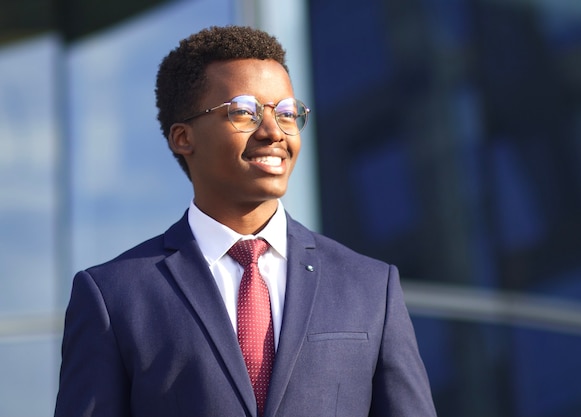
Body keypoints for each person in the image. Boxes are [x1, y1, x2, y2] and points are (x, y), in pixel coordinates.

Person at [54, 26, 437, 417]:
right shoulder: (114, 296)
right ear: (183, 137)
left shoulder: (370, 287)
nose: (274, 132)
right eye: (244, 112)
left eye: (287, 113)